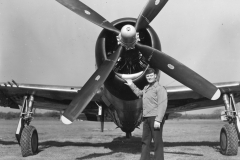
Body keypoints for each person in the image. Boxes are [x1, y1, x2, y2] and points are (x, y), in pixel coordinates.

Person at [125, 68, 168, 160]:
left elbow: (162, 104)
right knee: (145, 141)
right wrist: (131, 84)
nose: (149, 77)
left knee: (157, 141)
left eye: (151, 75)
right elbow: (139, 93)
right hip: (146, 119)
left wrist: (158, 119)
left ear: (155, 76)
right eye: (147, 76)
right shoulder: (146, 88)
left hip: (155, 118)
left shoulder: (160, 88)